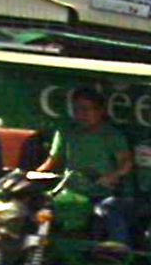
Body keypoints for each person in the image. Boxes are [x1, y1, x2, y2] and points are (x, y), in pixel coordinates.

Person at [38, 86, 133, 246]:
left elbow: (126, 162)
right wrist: (29, 177)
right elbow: (52, 162)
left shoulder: (112, 135)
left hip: (101, 194)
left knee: (108, 210)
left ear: (100, 111)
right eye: (76, 110)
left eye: (85, 110)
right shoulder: (66, 132)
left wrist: (111, 177)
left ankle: (118, 252)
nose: (80, 115)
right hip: (69, 193)